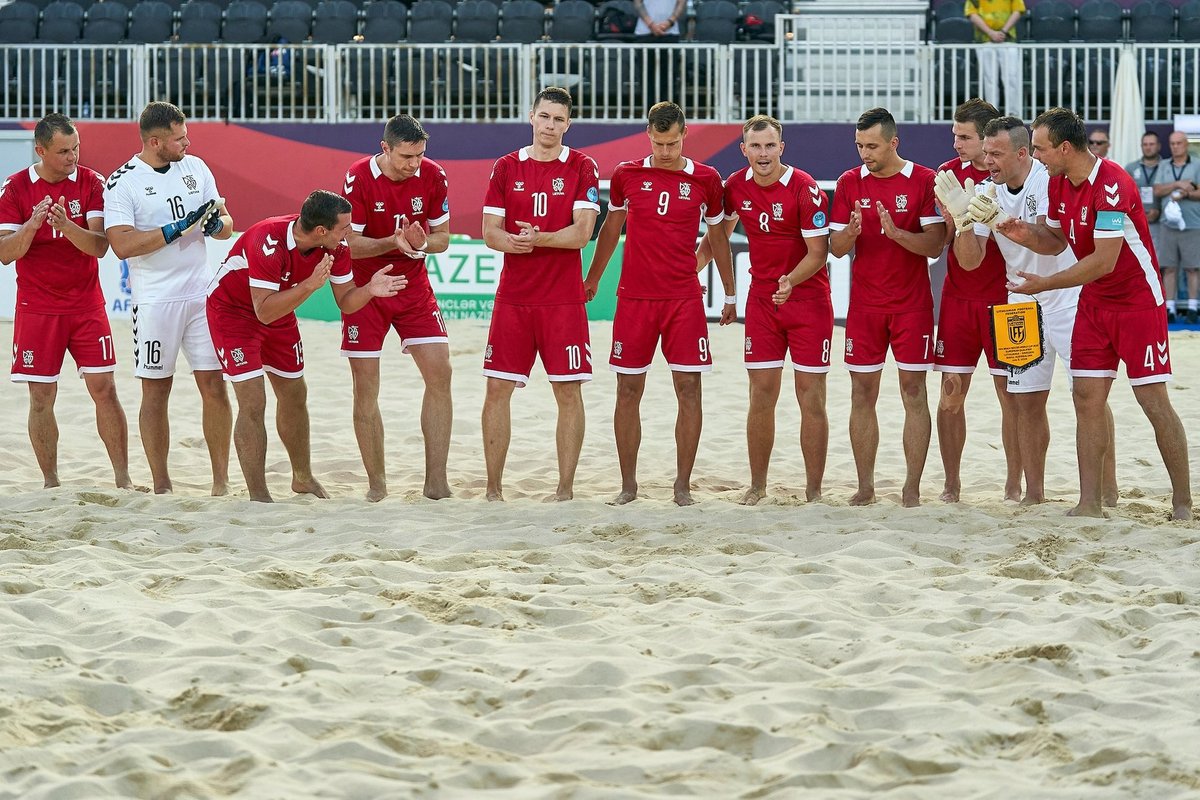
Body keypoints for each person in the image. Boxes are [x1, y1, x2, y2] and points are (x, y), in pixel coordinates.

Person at [996, 107, 1190, 520]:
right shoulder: (1057, 183)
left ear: (1065, 148)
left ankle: (1183, 501)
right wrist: (1022, 232)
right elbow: (1052, 241)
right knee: (1086, 398)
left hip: (1138, 303)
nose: (1037, 156)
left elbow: (1103, 260)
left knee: (1152, 400)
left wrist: (1045, 285)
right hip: (1094, 302)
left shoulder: (1114, 185)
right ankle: (1090, 503)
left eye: (1041, 149)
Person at [950, 115, 1117, 506]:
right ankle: (1034, 495)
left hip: (1068, 297)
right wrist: (962, 221)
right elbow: (970, 262)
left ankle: (1107, 490)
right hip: (1020, 302)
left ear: (1023, 153)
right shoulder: (986, 191)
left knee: (1089, 396)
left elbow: (1050, 244)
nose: (986, 161)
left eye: (995, 154)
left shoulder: (1047, 180)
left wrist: (1001, 223)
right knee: (1024, 402)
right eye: (985, 152)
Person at [206, 190, 407, 503]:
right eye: (345, 228)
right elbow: (263, 311)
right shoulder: (266, 239)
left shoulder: (336, 248)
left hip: (280, 309)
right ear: (321, 231)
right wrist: (310, 285)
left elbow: (346, 302)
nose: (350, 234)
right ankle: (259, 496)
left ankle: (302, 477)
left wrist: (369, 290)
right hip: (234, 314)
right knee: (253, 401)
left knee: (295, 393)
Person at [583, 101, 735, 506]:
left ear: (684, 135)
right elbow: (611, 228)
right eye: (658, 142)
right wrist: (593, 277)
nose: (665, 151)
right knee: (627, 389)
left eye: (672, 143)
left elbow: (718, 238)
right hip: (634, 298)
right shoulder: (627, 174)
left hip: (683, 298)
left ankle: (682, 486)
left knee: (689, 388)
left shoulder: (706, 177)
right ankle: (628, 486)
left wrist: (730, 293)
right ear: (647, 135)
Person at [697, 115, 831, 505]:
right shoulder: (735, 187)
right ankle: (757, 485)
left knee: (810, 396)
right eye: (755, 146)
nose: (763, 154)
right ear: (744, 150)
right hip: (762, 303)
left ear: (781, 148)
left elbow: (818, 253)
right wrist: (690, 271)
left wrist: (790, 280)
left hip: (807, 302)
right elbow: (716, 235)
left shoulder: (804, 188)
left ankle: (814, 490)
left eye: (770, 146)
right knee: (761, 394)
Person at [104, 101, 233, 495]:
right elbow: (121, 245)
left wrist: (218, 225)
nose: (187, 142)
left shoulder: (196, 167)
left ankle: (220, 482)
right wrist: (173, 230)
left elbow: (227, 222)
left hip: (200, 294)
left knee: (214, 386)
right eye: (179, 138)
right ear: (155, 141)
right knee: (156, 390)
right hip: (156, 300)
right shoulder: (122, 181)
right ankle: (162, 485)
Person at [0, 113, 133, 490]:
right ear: (40, 150)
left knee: (104, 387)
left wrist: (65, 226)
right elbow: (5, 254)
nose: (73, 156)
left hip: (86, 305)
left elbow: (100, 247)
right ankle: (51, 482)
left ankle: (122, 479)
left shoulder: (91, 182)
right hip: (37, 308)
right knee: (41, 395)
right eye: (63, 151)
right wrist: (31, 226)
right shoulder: (14, 189)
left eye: (76, 147)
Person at [480, 87, 601, 502]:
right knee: (497, 389)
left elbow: (582, 233)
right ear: (531, 116)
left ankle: (564, 490)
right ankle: (493, 491)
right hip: (513, 297)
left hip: (563, 300)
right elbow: (489, 233)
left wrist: (539, 238)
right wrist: (513, 243)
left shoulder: (583, 166)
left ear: (568, 124)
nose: (550, 125)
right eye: (544, 116)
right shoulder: (505, 166)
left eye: (559, 119)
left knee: (568, 391)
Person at [829, 107, 945, 507]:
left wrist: (897, 235)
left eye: (872, 146)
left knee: (914, 391)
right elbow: (837, 250)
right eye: (860, 145)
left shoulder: (924, 180)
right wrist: (849, 233)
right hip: (864, 307)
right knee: (862, 392)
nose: (865, 153)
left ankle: (911, 489)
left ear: (893, 142)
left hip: (912, 306)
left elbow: (935, 246)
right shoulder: (849, 182)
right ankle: (865, 486)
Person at [340, 114, 453, 502]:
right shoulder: (357, 176)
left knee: (441, 373)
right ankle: (377, 485)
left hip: (412, 284)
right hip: (367, 287)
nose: (414, 164)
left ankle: (436, 483)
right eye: (407, 156)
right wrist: (393, 242)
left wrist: (420, 245)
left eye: (420, 155)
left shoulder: (433, 174)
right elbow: (348, 244)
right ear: (385, 148)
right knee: (366, 388)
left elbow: (443, 239)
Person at [931, 98, 1021, 504]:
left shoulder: (1014, 174)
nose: (956, 144)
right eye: (954, 135)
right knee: (951, 393)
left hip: (1008, 299)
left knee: (1013, 397)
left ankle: (1014, 484)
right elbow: (943, 244)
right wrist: (956, 219)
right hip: (959, 299)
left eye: (964, 137)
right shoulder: (948, 175)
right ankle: (952, 485)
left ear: (987, 139)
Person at [1154, 131, 1200, 324]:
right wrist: (1177, 185)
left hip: (1192, 223)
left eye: (1179, 143)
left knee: (1192, 268)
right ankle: (1169, 308)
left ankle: (1192, 307)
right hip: (1168, 224)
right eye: (1172, 143)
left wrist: (1186, 194)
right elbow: (1157, 190)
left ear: (1186, 144)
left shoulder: (1197, 164)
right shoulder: (1164, 165)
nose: (1175, 147)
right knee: (1169, 268)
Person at [965, 0, 1025, 116]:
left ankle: (1014, 114)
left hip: (1008, 40)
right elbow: (971, 13)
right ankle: (991, 114)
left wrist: (1003, 31)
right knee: (989, 79)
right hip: (984, 41)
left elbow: (1018, 10)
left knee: (1012, 78)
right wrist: (990, 32)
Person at [1125, 131, 1163, 254]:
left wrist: (1159, 211)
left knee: (1160, 261)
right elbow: (1125, 195)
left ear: (1158, 146)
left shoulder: (1166, 166)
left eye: (1151, 144)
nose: (1148, 147)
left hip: (1161, 222)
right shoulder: (1131, 167)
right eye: (1145, 144)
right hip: (1137, 221)